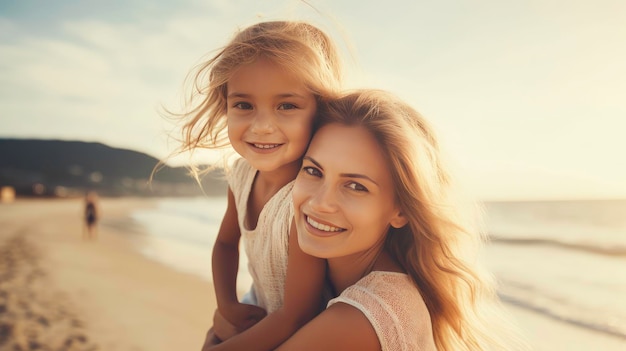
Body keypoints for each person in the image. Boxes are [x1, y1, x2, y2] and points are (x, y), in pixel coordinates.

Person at [276, 90, 529, 350]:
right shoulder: (337, 280)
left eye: (355, 186)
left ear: (401, 211)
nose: (319, 203)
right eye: (313, 171)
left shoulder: (363, 316)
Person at [168, 21, 343, 350]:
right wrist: (227, 305)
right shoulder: (241, 174)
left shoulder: (305, 199)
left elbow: (296, 316)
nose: (262, 127)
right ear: (226, 106)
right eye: (244, 105)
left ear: (319, 109)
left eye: (286, 106)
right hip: (258, 305)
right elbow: (224, 244)